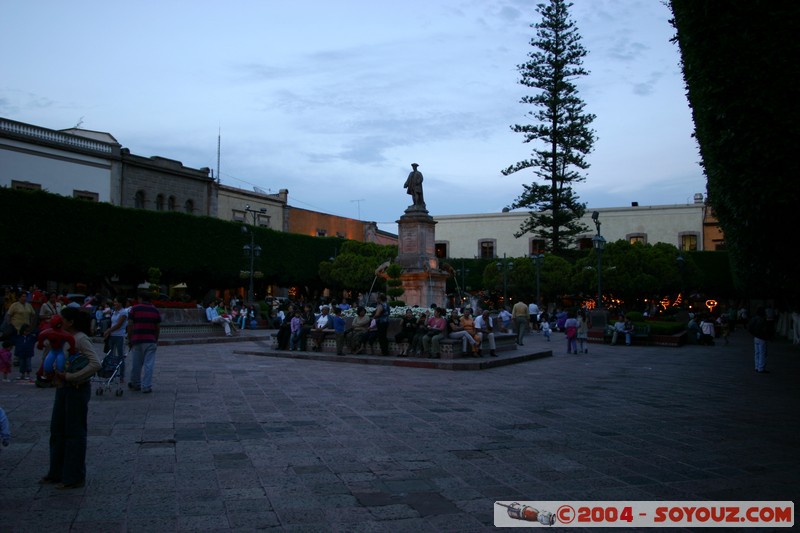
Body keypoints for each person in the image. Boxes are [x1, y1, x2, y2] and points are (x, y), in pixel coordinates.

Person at [39, 305, 101, 489]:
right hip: (61, 387)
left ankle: (73, 476)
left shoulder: (81, 339)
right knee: (57, 430)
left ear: (70, 322)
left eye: (62, 319)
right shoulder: (60, 337)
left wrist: (71, 376)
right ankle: (56, 472)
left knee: (74, 432)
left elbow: (95, 363)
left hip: (76, 387)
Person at [127, 292, 161, 394]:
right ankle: (146, 386)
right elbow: (158, 327)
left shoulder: (134, 309)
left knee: (136, 363)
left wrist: (130, 339)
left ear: (140, 298)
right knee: (149, 364)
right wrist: (155, 339)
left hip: (137, 339)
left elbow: (130, 325)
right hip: (150, 340)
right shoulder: (155, 310)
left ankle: (136, 383)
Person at [103, 298, 128, 381]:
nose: (114, 303)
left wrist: (108, 331)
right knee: (110, 355)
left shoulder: (123, 312)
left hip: (120, 335)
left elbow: (119, 325)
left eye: (116, 301)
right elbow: (112, 323)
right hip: (112, 335)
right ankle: (110, 373)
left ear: (121, 303)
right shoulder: (114, 311)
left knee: (120, 355)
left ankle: (122, 375)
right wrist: (109, 332)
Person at [748, 306, 771, 373]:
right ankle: (761, 368)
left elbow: (749, 327)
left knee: (757, 353)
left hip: (756, 337)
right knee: (762, 353)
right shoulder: (762, 319)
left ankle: (757, 366)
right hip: (762, 337)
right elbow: (765, 329)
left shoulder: (754, 318)